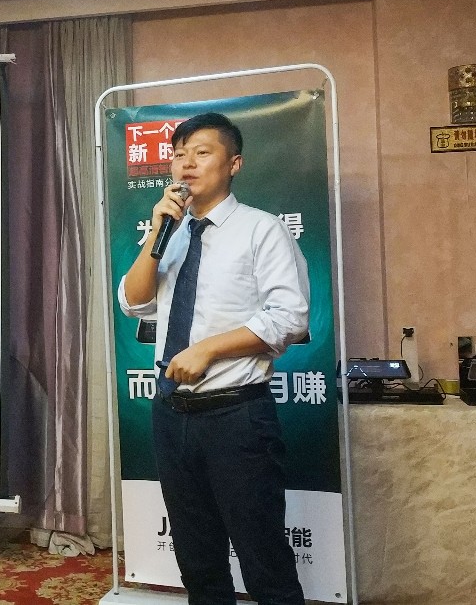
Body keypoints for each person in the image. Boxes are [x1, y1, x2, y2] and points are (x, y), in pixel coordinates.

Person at [119, 112, 309, 605]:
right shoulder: (171, 231)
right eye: (179, 154)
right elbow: (134, 301)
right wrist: (157, 233)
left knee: (263, 557)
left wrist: (207, 348)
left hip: (236, 415)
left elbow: (290, 317)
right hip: (171, 415)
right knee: (197, 558)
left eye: (201, 153)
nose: (186, 164)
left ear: (234, 164)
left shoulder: (261, 229)